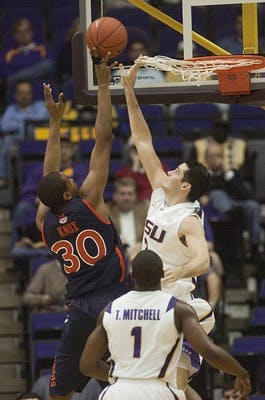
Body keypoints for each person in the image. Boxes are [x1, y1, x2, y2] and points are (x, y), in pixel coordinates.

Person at [35, 51, 128, 399]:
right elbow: (103, 141)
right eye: (67, 177)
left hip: (79, 305)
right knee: (127, 368)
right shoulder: (89, 200)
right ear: (69, 190)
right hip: (118, 296)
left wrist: (55, 124)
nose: (69, 175)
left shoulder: (44, 222)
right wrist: (103, 87)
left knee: (59, 391)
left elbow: (49, 178)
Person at [119, 62, 214, 396]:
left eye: (178, 171)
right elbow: (143, 140)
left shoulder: (188, 219)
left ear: (186, 187)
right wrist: (129, 91)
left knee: (176, 384)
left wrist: (176, 273)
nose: (171, 171)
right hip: (150, 297)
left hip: (179, 301)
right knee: (162, 386)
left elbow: (202, 261)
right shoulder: (160, 191)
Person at [79, 249, 251, 400]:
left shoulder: (110, 310)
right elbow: (210, 352)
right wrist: (241, 373)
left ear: (133, 276)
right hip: (158, 390)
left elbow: (87, 366)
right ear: (162, 275)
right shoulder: (177, 309)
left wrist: (119, 377)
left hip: (117, 392)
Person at [11, 134, 87, 246]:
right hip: (42, 206)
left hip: (68, 205)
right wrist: (38, 199)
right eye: (60, 147)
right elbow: (27, 192)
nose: (63, 151)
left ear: (72, 150)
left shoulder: (79, 169)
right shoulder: (40, 169)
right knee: (22, 207)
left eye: (66, 147)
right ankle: (17, 245)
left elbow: (81, 192)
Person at [205, 142, 261, 262]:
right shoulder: (204, 175)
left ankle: (254, 246)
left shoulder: (231, 174)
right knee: (217, 194)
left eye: (219, 156)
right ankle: (235, 217)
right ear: (206, 158)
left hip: (236, 203)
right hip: (217, 207)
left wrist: (227, 174)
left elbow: (246, 194)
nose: (217, 159)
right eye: (213, 156)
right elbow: (205, 192)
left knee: (253, 206)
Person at [0, 80, 49, 187]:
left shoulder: (40, 106)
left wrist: (18, 122)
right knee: (5, 141)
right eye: (21, 93)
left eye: (27, 93)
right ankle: (3, 177)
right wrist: (25, 122)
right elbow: (4, 125)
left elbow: (40, 119)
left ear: (31, 94)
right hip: (17, 141)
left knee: (8, 139)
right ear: (16, 95)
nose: (24, 96)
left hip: (37, 140)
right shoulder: (11, 109)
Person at [0, 18, 54, 85]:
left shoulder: (43, 48)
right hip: (17, 89)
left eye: (26, 31)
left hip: (40, 86)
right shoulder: (9, 54)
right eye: (19, 32)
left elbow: (49, 67)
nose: (23, 35)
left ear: (32, 32)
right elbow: (4, 72)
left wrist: (18, 74)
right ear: (14, 35)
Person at [106, 177, 148, 261]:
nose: (126, 198)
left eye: (129, 194)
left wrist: (142, 244)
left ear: (135, 196)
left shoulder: (144, 210)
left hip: (140, 254)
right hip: (116, 255)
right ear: (115, 196)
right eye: (122, 194)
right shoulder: (107, 211)